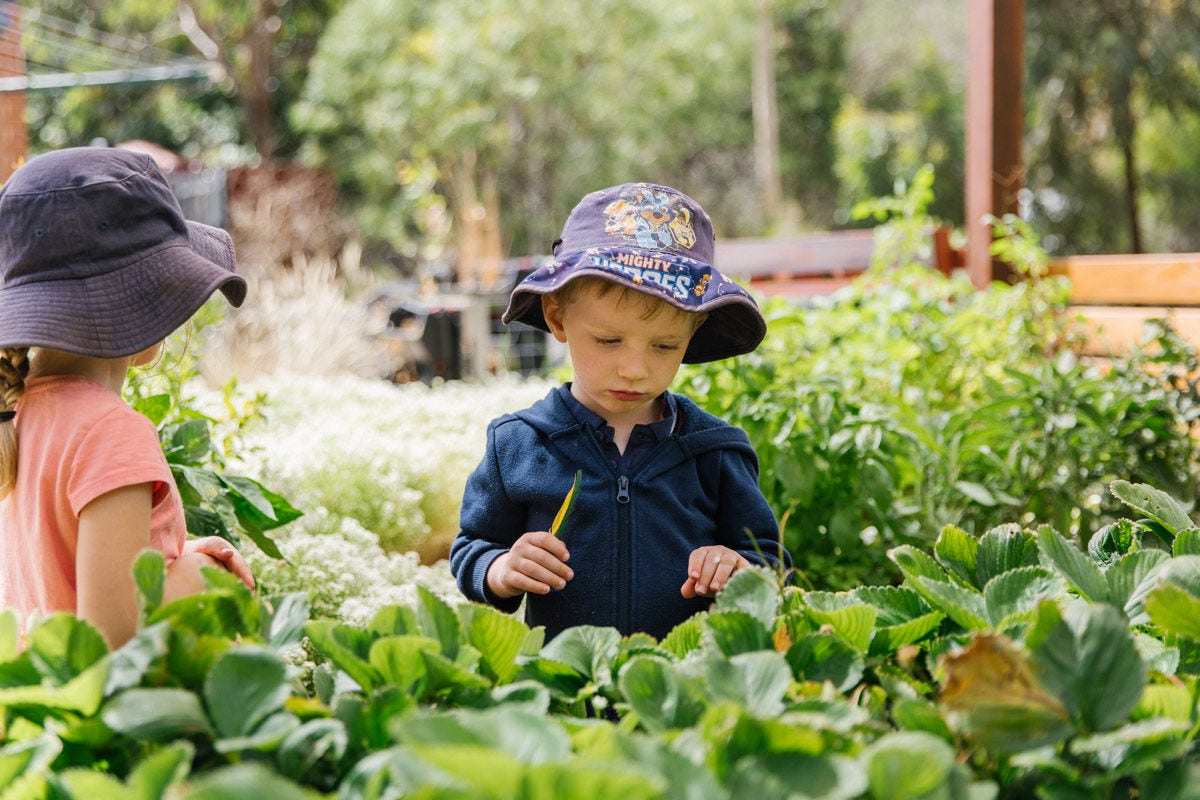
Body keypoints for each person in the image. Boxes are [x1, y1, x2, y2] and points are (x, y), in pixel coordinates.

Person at [450, 182, 790, 641]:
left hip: (683, 688)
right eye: (609, 341)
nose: (634, 369)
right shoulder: (519, 444)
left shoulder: (716, 452)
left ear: (694, 331)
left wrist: (740, 568)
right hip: (569, 688)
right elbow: (473, 546)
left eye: (665, 346)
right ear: (556, 316)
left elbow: (769, 560)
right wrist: (501, 568)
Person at [0, 146, 255, 649]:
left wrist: (163, 559)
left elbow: (64, 585)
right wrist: (201, 577)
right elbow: (111, 648)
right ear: (148, 294)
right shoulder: (110, 433)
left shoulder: (15, 412)